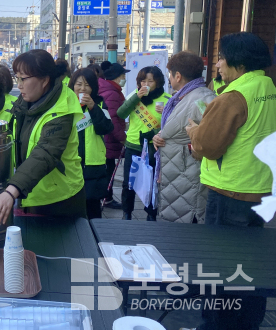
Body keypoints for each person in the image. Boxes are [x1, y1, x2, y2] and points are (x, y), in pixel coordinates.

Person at [187, 33, 276, 330]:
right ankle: (248, 323)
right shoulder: (268, 87)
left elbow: (208, 146)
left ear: (239, 62)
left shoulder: (234, 96)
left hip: (229, 193)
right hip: (259, 190)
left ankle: (217, 324)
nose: (218, 65)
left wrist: (194, 132)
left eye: (222, 58)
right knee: (251, 266)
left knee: (220, 269)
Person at [0, 50, 86, 223]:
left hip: (59, 200)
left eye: (23, 79)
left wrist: (11, 190)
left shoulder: (62, 109)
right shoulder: (27, 100)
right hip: (30, 193)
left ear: (45, 80)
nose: (19, 85)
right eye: (17, 78)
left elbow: (45, 153)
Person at [152, 51, 215, 223]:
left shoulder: (202, 98)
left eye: (170, 74)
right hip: (179, 172)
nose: (169, 78)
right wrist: (160, 136)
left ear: (178, 76)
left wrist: (190, 145)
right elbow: (175, 129)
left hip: (189, 174)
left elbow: (212, 136)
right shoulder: (183, 96)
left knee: (187, 227)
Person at [117, 66, 171, 220]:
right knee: (128, 183)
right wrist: (136, 97)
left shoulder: (167, 99)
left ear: (158, 82)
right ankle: (127, 213)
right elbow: (121, 113)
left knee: (152, 183)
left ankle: (151, 214)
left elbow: (173, 125)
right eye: (143, 81)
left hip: (154, 147)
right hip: (133, 145)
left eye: (150, 81)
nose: (146, 84)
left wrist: (165, 114)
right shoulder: (134, 95)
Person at [69, 68, 114, 219]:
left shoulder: (100, 104)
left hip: (92, 164)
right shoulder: (65, 104)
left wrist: (93, 108)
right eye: (79, 84)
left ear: (93, 87)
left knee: (92, 207)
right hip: (71, 162)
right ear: (72, 85)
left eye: (87, 85)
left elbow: (106, 128)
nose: (82, 88)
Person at [98, 63, 130, 209]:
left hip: (106, 138)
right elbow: (113, 119)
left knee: (107, 169)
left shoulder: (109, 89)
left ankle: (106, 197)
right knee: (108, 170)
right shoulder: (112, 93)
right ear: (116, 77)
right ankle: (106, 198)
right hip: (109, 139)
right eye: (122, 75)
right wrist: (122, 138)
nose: (124, 78)